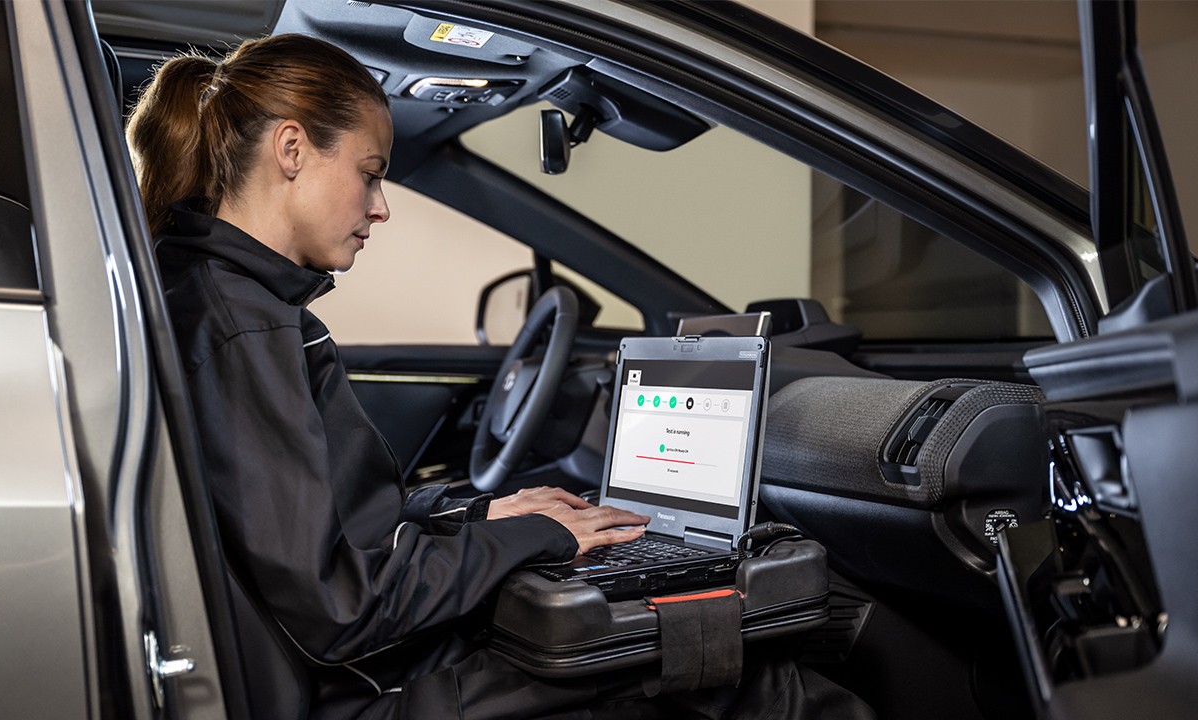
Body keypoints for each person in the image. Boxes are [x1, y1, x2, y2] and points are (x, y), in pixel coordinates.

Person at [128, 33, 874, 720]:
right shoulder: (242, 325)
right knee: (741, 680)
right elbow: (343, 604)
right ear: (292, 148)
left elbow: (330, 530)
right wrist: (541, 538)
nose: (380, 206)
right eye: (371, 173)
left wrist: (484, 518)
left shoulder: (217, 296)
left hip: (354, 668)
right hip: (364, 689)